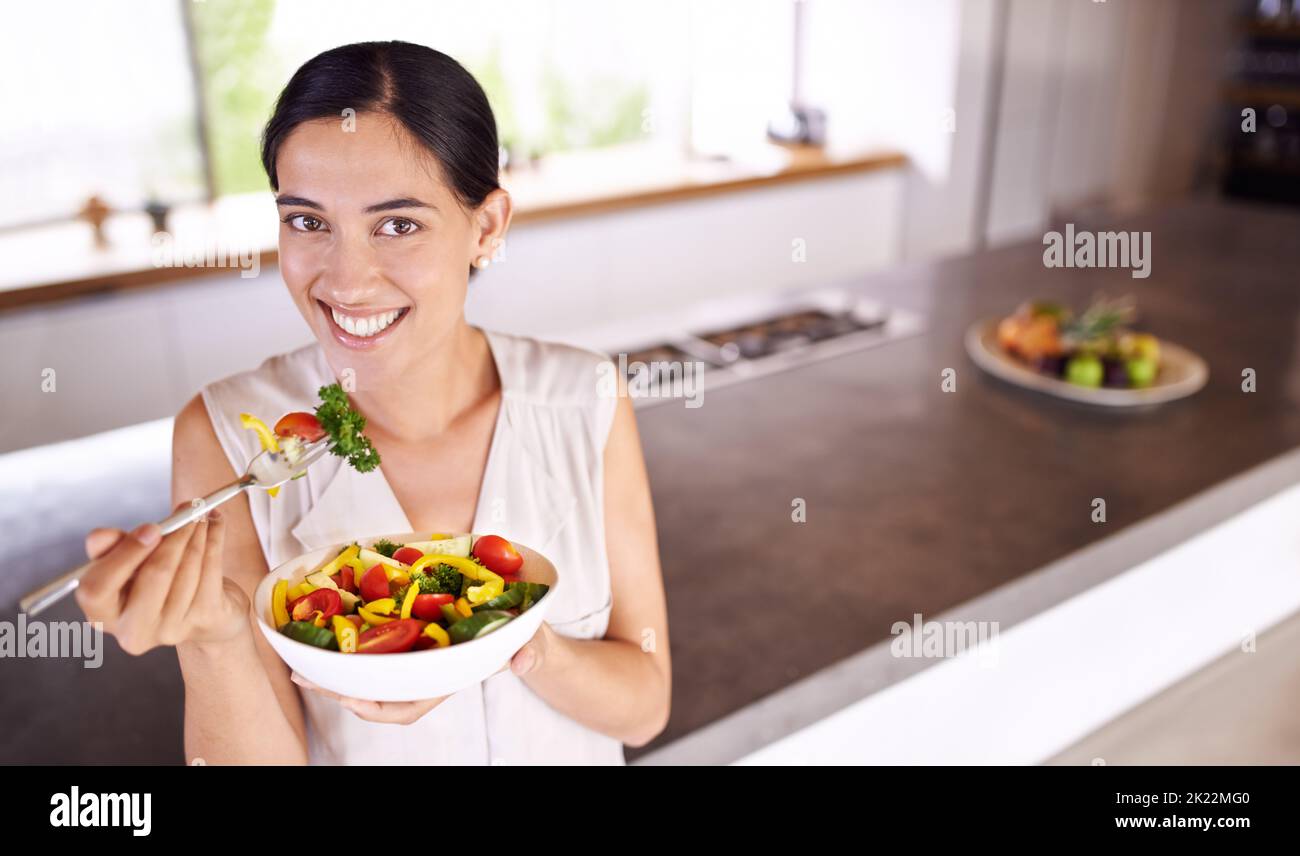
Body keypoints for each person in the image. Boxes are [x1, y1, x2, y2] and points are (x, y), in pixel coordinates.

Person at [75, 41, 671, 765]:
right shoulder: (226, 436)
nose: (347, 280)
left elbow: (644, 708)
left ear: (486, 229)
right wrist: (213, 640)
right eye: (308, 221)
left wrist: (501, 639)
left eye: (398, 224)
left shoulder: (586, 399)